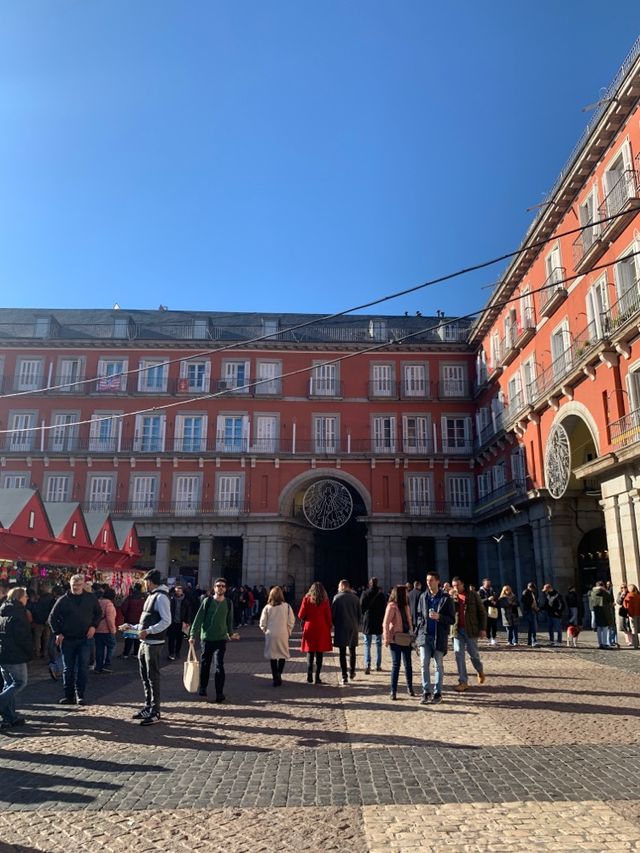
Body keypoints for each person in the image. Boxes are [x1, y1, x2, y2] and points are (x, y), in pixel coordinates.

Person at [119, 569, 171, 725]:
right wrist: (132, 627)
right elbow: (147, 620)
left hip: (153, 643)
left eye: (145, 581)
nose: (144, 584)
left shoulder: (161, 597)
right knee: (145, 676)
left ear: (150, 581)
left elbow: (166, 621)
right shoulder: (152, 596)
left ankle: (155, 710)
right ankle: (148, 706)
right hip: (145, 642)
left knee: (152, 676)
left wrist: (148, 631)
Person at [48, 574, 102, 706]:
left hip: (85, 638)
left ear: (83, 585)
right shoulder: (63, 600)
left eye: (78, 585)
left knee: (83, 668)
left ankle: (80, 695)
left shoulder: (90, 598)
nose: (76, 588)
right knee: (68, 669)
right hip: (67, 639)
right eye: (73, 585)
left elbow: (98, 613)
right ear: (70, 585)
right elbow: (52, 618)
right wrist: (58, 633)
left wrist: (94, 626)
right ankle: (69, 695)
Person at [189, 578, 239, 702]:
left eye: (223, 586)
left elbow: (229, 620)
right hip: (207, 638)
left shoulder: (228, 602)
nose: (220, 588)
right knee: (205, 664)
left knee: (219, 665)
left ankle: (219, 693)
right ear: (214, 588)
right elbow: (199, 618)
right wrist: (192, 635)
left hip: (221, 639)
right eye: (218, 586)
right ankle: (203, 687)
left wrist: (231, 633)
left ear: (225, 588)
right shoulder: (207, 601)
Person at [415, 571, 455, 705]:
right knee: (423, 664)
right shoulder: (423, 597)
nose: (429, 582)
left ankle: (438, 693)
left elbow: (452, 619)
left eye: (431, 580)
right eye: (427, 580)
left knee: (438, 666)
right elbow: (419, 616)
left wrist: (440, 617)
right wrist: (418, 634)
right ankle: (426, 692)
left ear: (438, 581)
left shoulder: (446, 598)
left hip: (439, 636)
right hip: (425, 636)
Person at [0, 587, 32, 729]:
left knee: (9, 684)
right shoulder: (19, 614)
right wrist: (29, 653)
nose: (27, 599)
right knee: (19, 682)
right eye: (25, 596)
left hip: (3, 653)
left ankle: (10, 718)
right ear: (20, 597)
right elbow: (22, 638)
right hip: (15, 654)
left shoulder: (3, 611)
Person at [451, 577, 487, 691]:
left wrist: (483, 628)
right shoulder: (452, 597)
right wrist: (450, 598)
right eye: (454, 586)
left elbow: (482, 612)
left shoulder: (473, 595)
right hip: (457, 630)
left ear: (463, 584)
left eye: (458, 585)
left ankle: (479, 670)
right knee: (459, 655)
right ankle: (463, 682)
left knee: (473, 655)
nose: (456, 588)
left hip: (471, 629)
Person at [382, 585, 415, 700]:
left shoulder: (406, 606)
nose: (407, 594)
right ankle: (393, 691)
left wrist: (412, 634)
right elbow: (385, 623)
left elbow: (409, 620)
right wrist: (386, 638)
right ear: (400, 594)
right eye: (406, 592)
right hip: (395, 639)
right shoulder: (391, 606)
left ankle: (410, 688)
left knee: (408, 665)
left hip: (406, 638)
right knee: (396, 665)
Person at [259, 585, 295, 686]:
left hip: (271, 633)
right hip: (283, 633)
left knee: (273, 656)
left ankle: (275, 677)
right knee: (282, 654)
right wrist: (288, 630)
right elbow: (291, 620)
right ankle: (279, 673)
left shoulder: (267, 607)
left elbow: (262, 622)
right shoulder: (287, 606)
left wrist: (265, 630)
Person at [298, 581, 333, 684]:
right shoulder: (325, 601)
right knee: (319, 653)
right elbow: (328, 616)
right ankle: (317, 677)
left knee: (310, 653)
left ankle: (309, 676)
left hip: (310, 627)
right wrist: (329, 626)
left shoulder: (306, 599)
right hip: (321, 628)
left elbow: (300, 615)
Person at [331, 579, 362, 686]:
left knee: (342, 653)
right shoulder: (356, 598)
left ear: (341, 587)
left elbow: (333, 615)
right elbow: (359, 615)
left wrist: (336, 624)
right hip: (353, 627)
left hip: (341, 627)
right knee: (352, 650)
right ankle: (352, 672)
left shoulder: (337, 598)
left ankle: (344, 676)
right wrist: (356, 624)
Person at [360, 577, 386, 674]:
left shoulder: (365, 593)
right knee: (378, 643)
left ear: (369, 584)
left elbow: (361, 606)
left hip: (368, 620)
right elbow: (384, 608)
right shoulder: (381, 594)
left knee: (367, 644)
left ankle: (368, 664)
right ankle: (378, 665)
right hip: (378, 621)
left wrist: (364, 615)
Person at [94, 587, 117, 673]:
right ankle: (107, 664)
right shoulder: (109, 604)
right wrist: (113, 631)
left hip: (97, 630)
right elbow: (110, 620)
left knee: (99, 649)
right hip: (106, 630)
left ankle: (98, 667)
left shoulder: (97, 602)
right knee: (112, 646)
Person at [29, 583, 55, 660]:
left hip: (38, 620)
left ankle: (37, 652)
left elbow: (34, 609)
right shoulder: (51, 599)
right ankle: (45, 652)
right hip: (47, 621)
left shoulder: (38, 598)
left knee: (37, 637)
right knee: (46, 637)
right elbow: (52, 611)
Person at [120, 583, 145, 658]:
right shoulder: (144, 597)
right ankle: (136, 653)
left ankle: (126, 654)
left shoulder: (130, 597)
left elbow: (123, 608)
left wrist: (126, 616)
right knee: (138, 637)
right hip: (140, 620)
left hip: (130, 620)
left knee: (129, 638)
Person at [589, 581, 615, 649]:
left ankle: (600, 643)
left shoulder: (592, 592)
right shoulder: (604, 592)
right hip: (604, 612)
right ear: (602, 585)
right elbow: (610, 599)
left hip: (597, 612)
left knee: (599, 629)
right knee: (605, 628)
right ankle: (605, 643)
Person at [168, 584, 191, 661]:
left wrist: (187, 621)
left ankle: (177, 652)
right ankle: (171, 653)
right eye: (176, 591)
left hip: (182, 622)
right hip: (172, 622)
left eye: (179, 591)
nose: (178, 592)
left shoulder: (186, 600)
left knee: (179, 638)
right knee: (171, 638)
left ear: (182, 591)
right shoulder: (171, 599)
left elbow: (188, 612)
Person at [478, 578, 499, 645]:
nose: (489, 585)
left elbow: (497, 598)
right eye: (487, 584)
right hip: (485, 611)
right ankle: (489, 638)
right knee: (488, 625)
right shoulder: (480, 591)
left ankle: (494, 638)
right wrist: (487, 599)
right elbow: (479, 601)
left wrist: (495, 601)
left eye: (489, 583)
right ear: (484, 583)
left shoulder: (492, 590)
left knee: (494, 625)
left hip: (493, 610)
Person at [521, 582, 540, 647]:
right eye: (533, 588)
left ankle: (529, 641)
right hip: (529, 611)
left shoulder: (531, 593)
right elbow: (524, 601)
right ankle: (533, 641)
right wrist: (532, 606)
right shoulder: (526, 592)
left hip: (531, 610)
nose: (533, 589)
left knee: (531, 627)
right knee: (533, 627)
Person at [623, 584, 640, 649]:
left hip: (632, 614)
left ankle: (636, 644)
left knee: (634, 629)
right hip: (638, 613)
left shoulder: (628, 596)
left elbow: (625, 606)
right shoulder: (638, 596)